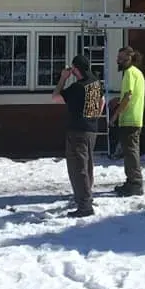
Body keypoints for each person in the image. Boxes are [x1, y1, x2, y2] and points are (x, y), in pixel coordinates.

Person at [52, 54, 104, 218]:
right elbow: (102, 101)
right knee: (87, 166)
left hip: (77, 132)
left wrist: (62, 79)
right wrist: (95, 117)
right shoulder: (96, 82)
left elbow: (55, 97)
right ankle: (86, 197)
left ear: (76, 69)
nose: (71, 71)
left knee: (77, 168)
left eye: (72, 69)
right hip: (91, 130)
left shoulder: (77, 87)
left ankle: (84, 205)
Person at [110, 46, 145, 196]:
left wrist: (115, 115)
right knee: (130, 151)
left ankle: (135, 184)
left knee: (130, 152)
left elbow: (128, 97)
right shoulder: (138, 73)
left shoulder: (129, 73)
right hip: (134, 118)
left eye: (120, 58)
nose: (118, 60)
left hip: (129, 119)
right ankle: (131, 181)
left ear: (129, 58)